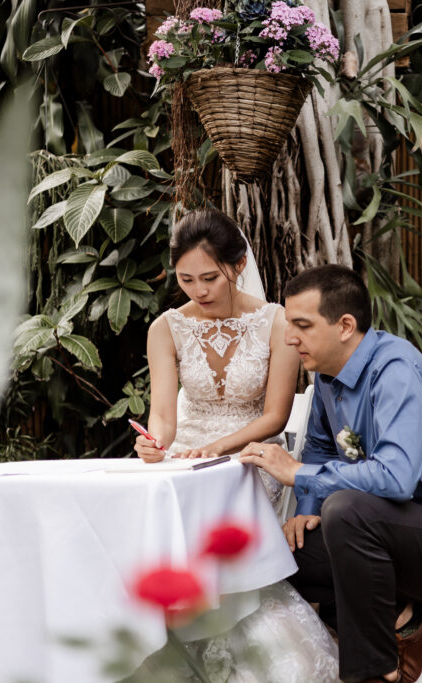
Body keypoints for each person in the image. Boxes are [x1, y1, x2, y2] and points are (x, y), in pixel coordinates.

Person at [239, 264, 422, 683]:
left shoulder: (395, 370)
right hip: (395, 535)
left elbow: (397, 479)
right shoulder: (327, 375)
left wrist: (300, 476)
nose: (290, 337)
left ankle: (374, 673)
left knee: (346, 509)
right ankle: (409, 626)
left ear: (345, 325)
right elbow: (324, 444)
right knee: (286, 552)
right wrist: (306, 507)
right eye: (289, 324)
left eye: (302, 325)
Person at [133, 209, 339, 682]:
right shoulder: (165, 328)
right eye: (186, 279)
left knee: (216, 509)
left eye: (210, 276)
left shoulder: (275, 322)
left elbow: (275, 415)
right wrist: (154, 443)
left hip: (250, 456)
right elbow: (163, 416)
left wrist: (219, 449)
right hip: (184, 456)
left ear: (238, 263)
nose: (199, 290)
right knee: (162, 507)